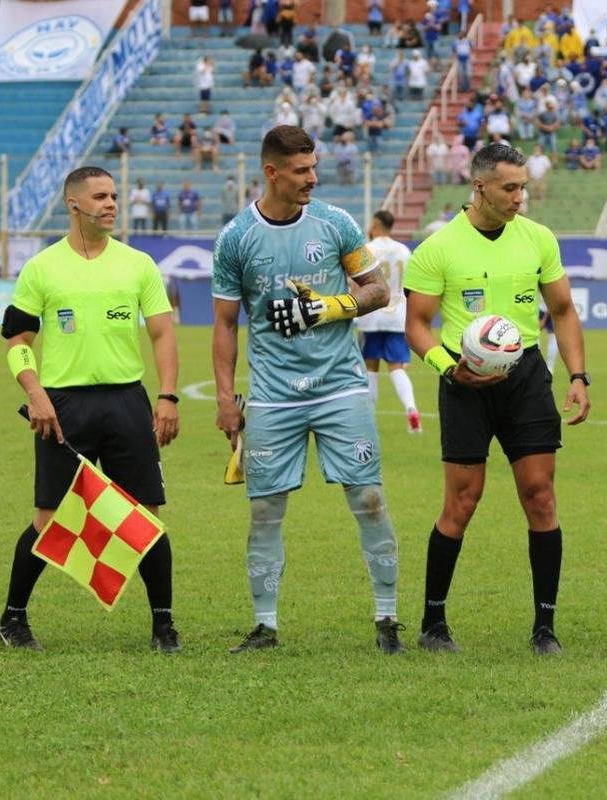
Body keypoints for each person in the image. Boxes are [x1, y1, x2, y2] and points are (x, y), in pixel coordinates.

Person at [212, 125, 406, 655]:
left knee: (368, 499)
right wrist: (227, 400)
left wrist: (325, 307)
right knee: (264, 510)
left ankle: (387, 621)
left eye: (314, 168)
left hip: (341, 387)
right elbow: (225, 325)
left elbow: (377, 291)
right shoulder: (236, 237)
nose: (312, 179)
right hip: (274, 396)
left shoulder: (336, 223)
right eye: (300, 171)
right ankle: (265, 626)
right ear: (271, 172)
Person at [403, 143, 590, 655]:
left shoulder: (538, 239)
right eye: (510, 188)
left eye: (523, 187)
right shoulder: (439, 247)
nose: (519, 197)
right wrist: (449, 369)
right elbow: (416, 326)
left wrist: (578, 375)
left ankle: (545, 628)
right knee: (462, 502)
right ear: (479, 185)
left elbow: (565, 310)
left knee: (540, 496)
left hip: (526, 376)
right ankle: (433, 623)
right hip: (464, 380)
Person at [0, 166, 181, 653]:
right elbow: (17, 339)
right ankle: (13, 618)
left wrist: (166, 395)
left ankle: (164, 626)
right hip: (63, 406)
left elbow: (162, 332)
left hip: (127, 401)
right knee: (50, 518)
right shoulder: (42, 267)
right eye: (100, 196)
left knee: (146, 515)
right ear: (73, 204)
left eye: (115, 195)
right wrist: (35, 393)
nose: (111, 203)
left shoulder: (138, 264)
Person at [356, 210, 422, 433]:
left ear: (375, 224)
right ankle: (411, 408)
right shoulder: (404, 250)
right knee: (397, 367)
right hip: (397, 315)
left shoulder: (368, 250)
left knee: (370, 367)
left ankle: (369, 418)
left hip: (371, 315)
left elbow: (357, 283)